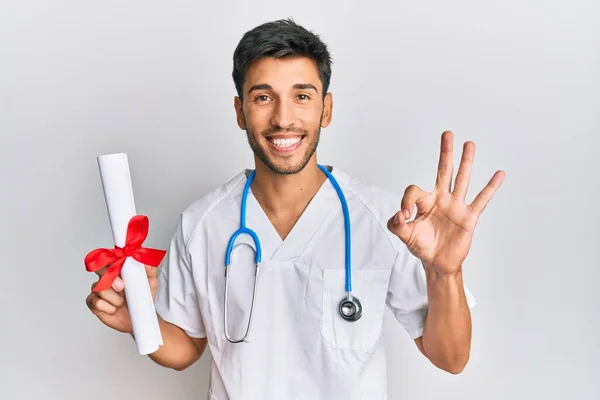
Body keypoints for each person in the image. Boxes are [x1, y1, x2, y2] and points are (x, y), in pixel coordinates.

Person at [85, 18, 505, 400]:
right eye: (263, 96)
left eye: (301, 96)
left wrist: (445, 272)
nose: (283, 118)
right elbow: (187, 347)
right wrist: (135, 321)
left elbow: (450, 357)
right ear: (239, 111)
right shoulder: (203, 223)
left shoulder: (384, 219)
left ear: (326, 108)